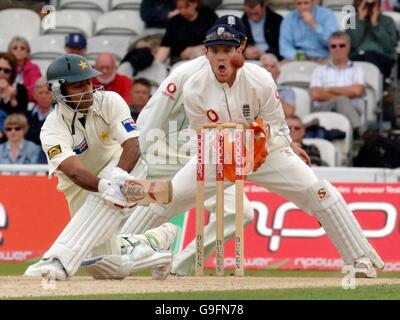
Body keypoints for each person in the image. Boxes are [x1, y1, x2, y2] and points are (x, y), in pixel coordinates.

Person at [136, 24, 384, 278]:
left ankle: (361, 260)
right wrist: (229, 152)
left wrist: (284, 145)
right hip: (218, 154)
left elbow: (275, 123)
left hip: (264, 151)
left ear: (238, 53)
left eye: (227, 50)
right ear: (206, 54)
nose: (221, 57)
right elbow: (202, 133)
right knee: (169, 196)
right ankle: (122, 251)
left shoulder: (260, 78)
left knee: (319, 192)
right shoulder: (194, 87)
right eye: (215, 51)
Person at [86, 16, 260, 277]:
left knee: (241, 212)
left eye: (232, 45)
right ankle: (134, 246)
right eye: (218, 46)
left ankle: (179, 265)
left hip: (205, 156)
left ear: (242, 45)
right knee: (147, 218)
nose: (224, 52)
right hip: (164, 152)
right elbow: (152, 115)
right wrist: (134, 159)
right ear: (207, 47)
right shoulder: (185, 73)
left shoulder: (241, 78)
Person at [24, 54, 177, 281]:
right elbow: (74, 171)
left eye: (89, 82)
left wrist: (116, 177)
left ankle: (57, 260)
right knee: (105, 266)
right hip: (82, 186)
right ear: (58, 90)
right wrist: (105, 186)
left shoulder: (110, 100)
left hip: (125, 169)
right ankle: (154, 243)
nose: (88, 89)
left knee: (108, 190)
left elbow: (133, 145)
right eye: (78, 85)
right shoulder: (51, 129)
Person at [309, 32, 365, 136]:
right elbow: (315, 94)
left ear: (348, 47)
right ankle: (359, 131)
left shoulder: (357, 69)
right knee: (342, 100)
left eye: (342, 45)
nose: (337, 49)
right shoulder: (319, 70)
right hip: (324, 108)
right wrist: (342, 97)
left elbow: (357, 91)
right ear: (329, 48)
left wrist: (329, 89)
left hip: (352, 109)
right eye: (333, 46)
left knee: (342, 101)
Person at [346, 0, 397, 86]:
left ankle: (378, 89)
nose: (369, 7)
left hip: (381, 57)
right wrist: (360, 20)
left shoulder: (387, 21)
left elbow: (389, 46)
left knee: (371, 57)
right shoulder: (352, 21)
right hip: (357, 56)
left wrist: (375, 24)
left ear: (378, 5)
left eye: (373, 4)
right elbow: (354, 43)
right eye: (366, 4)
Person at [155, 0, 218, 65]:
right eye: (180, 8)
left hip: (206, 56)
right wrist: (157, 64)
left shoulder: (208, 14)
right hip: (180, 60)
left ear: (195, 3)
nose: (183, 11)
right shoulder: (174, 21)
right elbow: (166, 45)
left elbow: (218, 36)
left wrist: (197, 49)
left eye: (186, 7)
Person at [8, 36, 42, 102]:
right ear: (10, 52)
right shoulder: (4, 68)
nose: (18, 50)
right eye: (15, 48)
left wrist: (14, 93)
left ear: (27, 52)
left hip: (26, 105)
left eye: (22, 48)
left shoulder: (34, 68)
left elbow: (35, 92)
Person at [25, 77, 54, 146]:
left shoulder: (60, 116)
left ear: (52, 95)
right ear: (34, 95)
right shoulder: (26, 117)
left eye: (47, 93)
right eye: (40, 93)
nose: (43, 96)